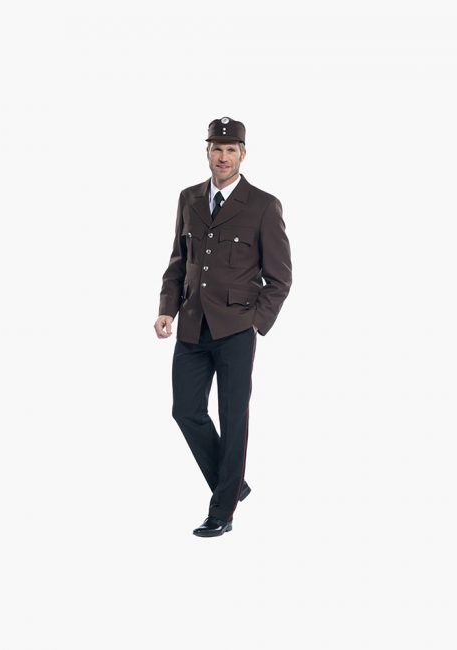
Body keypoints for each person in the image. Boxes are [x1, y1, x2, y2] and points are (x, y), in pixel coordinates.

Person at [154, 116, 292, 537]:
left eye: (231, 150)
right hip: (193, 325)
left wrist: (255, 323)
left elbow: (280, 278)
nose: (224, 156)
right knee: (186, 411)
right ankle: (232, 485)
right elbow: (179, 261)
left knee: (233, 419)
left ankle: (222, 512)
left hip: (235, 329)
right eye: (217, 148)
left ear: (243, 154)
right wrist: (167, 309)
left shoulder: (263, 205)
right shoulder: (189, 198)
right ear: (208, 152)